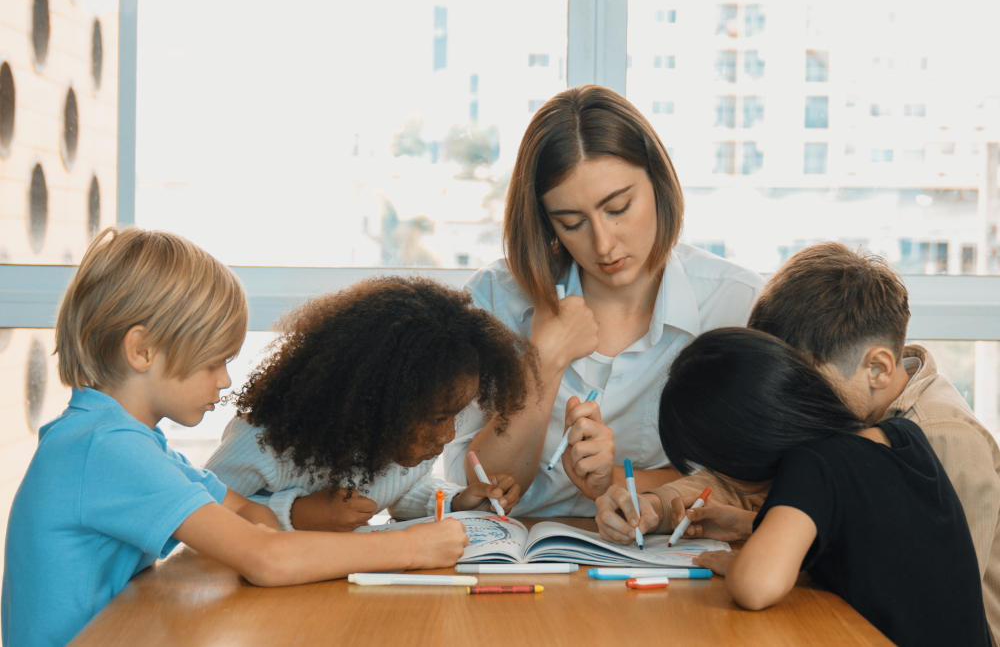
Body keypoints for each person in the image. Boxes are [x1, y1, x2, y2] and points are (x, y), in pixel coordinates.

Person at [1, 228, 468, 647]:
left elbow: (249, 514)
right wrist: (410, 548)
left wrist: (278, 536)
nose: (224, 381)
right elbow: (265, 557)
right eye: (212, 362)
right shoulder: (104, 449)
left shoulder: (132, 442)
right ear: (142, 350)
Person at [596, 241, 1000, 644]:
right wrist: (658, 506)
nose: (783, 398)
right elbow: (743, 483)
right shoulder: (845, 431)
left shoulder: (946, 439)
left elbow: (931, 591)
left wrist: (762, 551)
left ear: (877, 368)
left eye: (798, 383)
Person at [442, 84, 763, 516]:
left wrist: (613, 480)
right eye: (572, 223)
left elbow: (749, 476)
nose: (604, 244)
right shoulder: (494, 297)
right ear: (546, 223)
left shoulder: (735, 301)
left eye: (618, 208)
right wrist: (543, 363)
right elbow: (477, 487)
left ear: (658, 182)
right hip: (514, 555)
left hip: (655, 559)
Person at [664, 327, 989, 645]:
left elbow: (755, 587)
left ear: (742, 446)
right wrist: (745, 525)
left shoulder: (813, 464)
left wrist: (735, 563)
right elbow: (867, 538)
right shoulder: (900, 435)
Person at [205, 276, 535, 531]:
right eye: (437, 418)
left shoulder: (400, 447)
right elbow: (201, 511)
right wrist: (297, 513)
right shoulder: (263, 441)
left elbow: (400, 491)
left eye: (455, 416)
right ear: (374, 405)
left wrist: (459, 500)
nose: (448, 435)